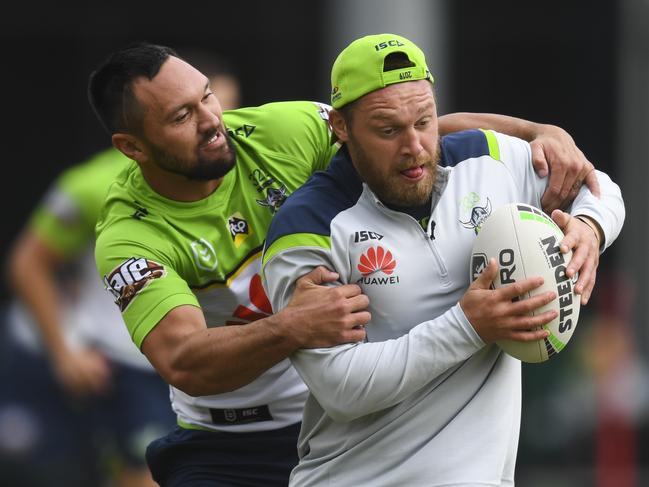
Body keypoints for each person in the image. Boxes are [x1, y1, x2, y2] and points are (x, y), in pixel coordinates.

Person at [87, 41, 604, 486]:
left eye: (206, 96)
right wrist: (291, 328)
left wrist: (538, 132)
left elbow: (404, 136)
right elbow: (184, 361)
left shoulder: (280, 132)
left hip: (338, 426)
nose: (211, 122)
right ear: (131, 147)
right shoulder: (129, 236)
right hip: (224, 443)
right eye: (181, 117)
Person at [261, 33, 625, 486]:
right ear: (340, 127)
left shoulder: (487, 160)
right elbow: (341, 389)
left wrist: (590, 228)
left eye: (424, 121)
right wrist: (469, 326)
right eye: (388, 130)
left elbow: (600, 186)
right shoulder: (309, 225)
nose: (414, 146)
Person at [0, 48, 243, 487]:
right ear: (137, 139)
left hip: (219, 362)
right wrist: (64, 352)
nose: (214, 126)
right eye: (182, 116)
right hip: (133, 365)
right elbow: (27, 263)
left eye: (215, 103)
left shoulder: (249, 170)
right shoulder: (95, 186)